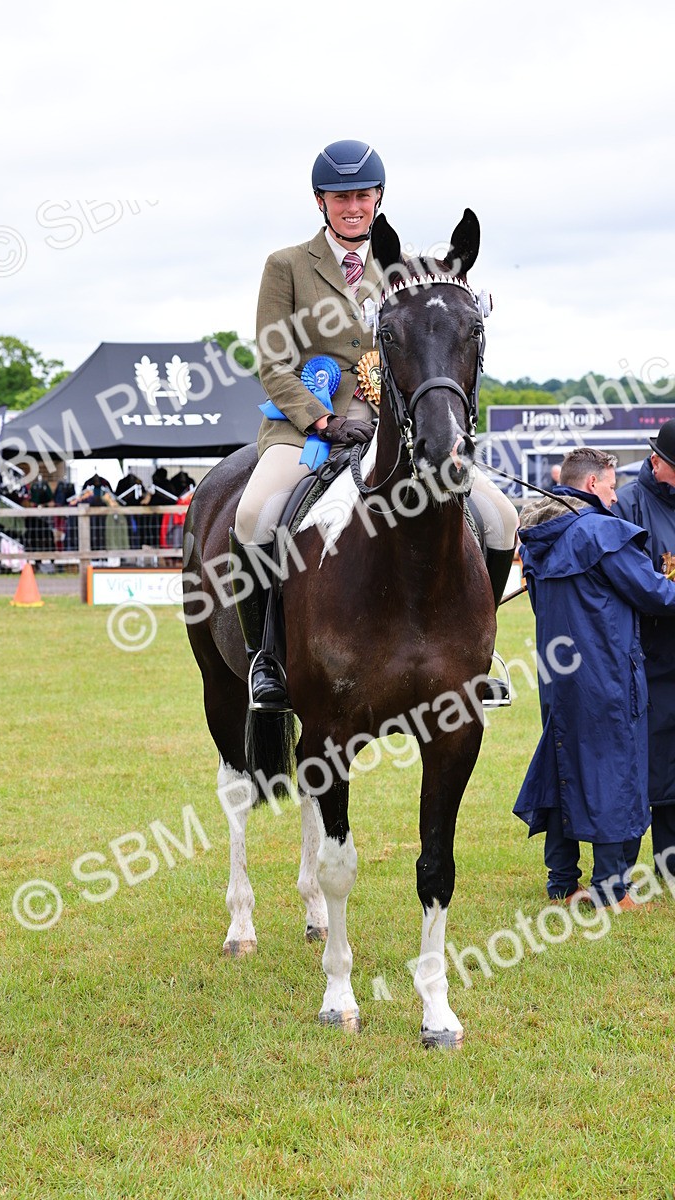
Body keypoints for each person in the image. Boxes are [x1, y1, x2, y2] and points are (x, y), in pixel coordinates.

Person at [231, 139, 518, 710]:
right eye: (340, 198)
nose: (352, 207)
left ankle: (478, 652)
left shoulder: (406, 270)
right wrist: (322, 419)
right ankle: (268, 655)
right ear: (321, 202)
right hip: (307, 431)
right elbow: (272, 361)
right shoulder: (286, 266)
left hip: (397, 431)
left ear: (378, 197)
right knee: (253, 515)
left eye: (362, 195)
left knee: (502, 518)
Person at [513, 446, 675, 908]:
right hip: (607, 676)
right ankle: (611, 889)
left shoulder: (540, 536)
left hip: (559, 678)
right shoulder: (602, 532)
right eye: (609, 485)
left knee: (564, 766)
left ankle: (562, 881)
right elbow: (654, 595)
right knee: (614, 770)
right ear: (590, 485)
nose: (614, 494)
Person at [614, 418, 675, 866]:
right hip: (646, 661)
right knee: (645, 764)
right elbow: (633, 582)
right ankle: (625, 864)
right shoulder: (629, 504)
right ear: (658, 463)